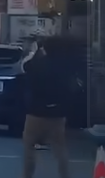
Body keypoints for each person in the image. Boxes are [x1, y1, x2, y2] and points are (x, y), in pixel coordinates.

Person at [21, 37, 72, 178]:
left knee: (29, 147)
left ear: (44, 49)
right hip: (57, 113)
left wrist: (35, 52)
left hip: (36, 113)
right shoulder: (64, 66)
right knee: (60, 149)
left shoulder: (37, 64)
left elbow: (24, 66)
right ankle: (64, 175)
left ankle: (27, 175)